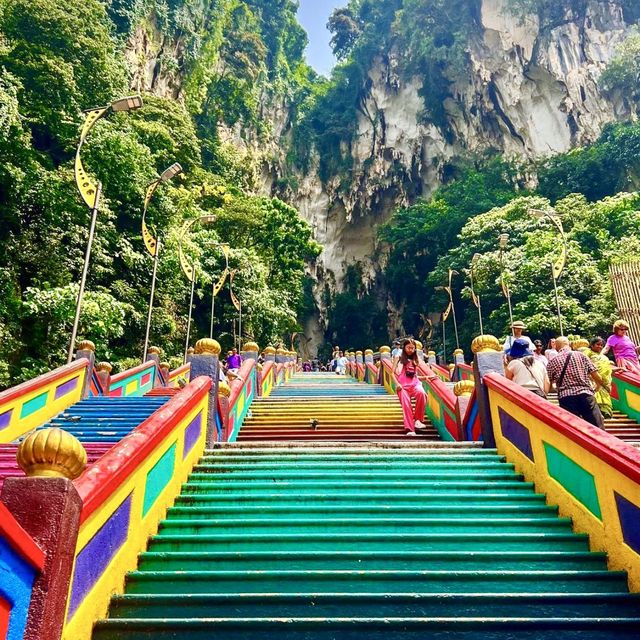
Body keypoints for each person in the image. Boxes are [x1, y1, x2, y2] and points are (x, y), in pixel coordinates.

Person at [547, 336, 608, 429]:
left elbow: (549, 385)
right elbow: (597, 376)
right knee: (597, 428)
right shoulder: (581, 355)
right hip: (586, 395)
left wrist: (556, 389)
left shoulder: (553, 361)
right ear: (569, 344)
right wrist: (597, 387)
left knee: (574, 429)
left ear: (556, 347)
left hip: (566, 398)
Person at [394, 338, 427, 436]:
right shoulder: (399, 357)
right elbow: (392, 373)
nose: (410, 350)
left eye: (412, 348)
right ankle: (410, 429)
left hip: (415, 384)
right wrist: (397, 384)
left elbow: (414, 375)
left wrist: (426, 377)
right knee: (406, 405)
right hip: (403, 387)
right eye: (408, 347)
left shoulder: (415, 359)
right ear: (404, 347)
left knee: (422, 394)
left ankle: (418, 420)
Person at [586, 337, 615, 419]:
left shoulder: (604, 357)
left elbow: (607, 368)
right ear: (591, 345)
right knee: (596, 396)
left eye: (602, 345)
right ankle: (597, 414)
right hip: (594, 380)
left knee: (605, 397)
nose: (600, 346)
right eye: (597, 344)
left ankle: (605, 414)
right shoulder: (588, 354)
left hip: (605, 382)